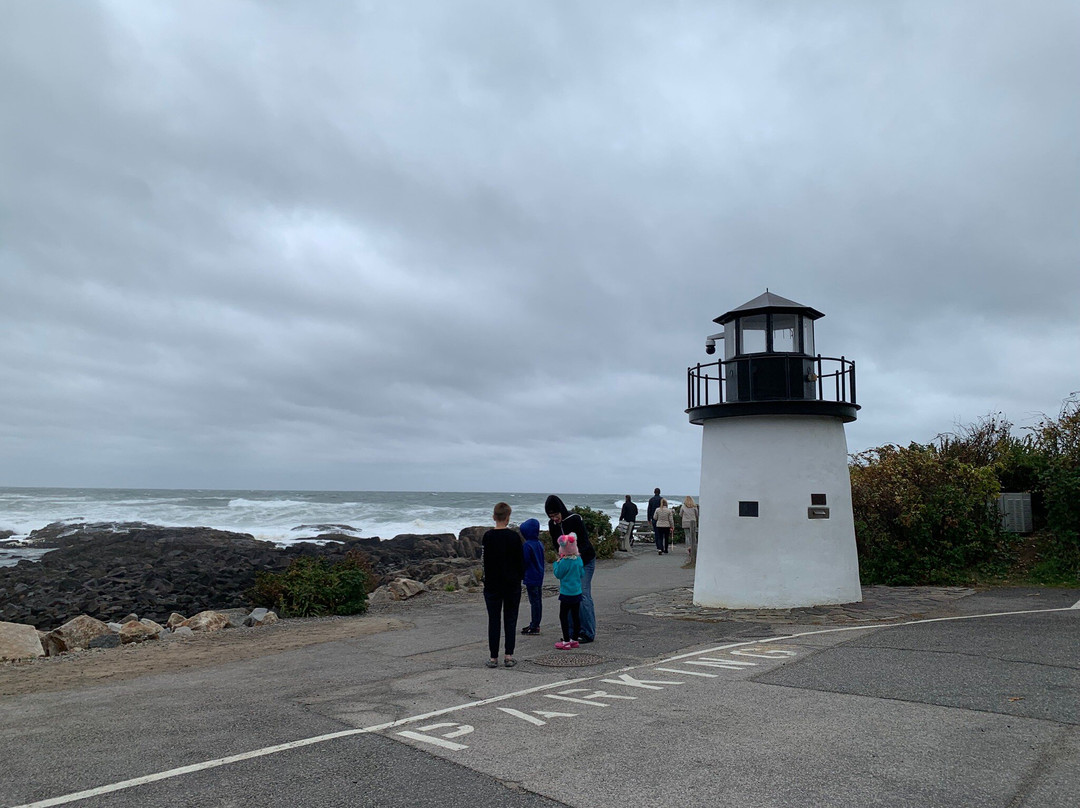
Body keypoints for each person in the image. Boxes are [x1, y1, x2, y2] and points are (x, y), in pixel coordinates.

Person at [544, 495, 596, 643]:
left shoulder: (574, 519)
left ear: (561, 510)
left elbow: (585, 542)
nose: (554, 519)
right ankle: (571, 633)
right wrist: (562, 558)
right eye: (551, 516)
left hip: (584, 561)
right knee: (567, 596)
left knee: (583, 594)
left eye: (556, 515)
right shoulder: (552, 524)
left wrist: (576, 556)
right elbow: (556, 545)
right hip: (568, 562)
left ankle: (587, 632)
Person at [482, 501, 524, 668]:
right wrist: (521, 577)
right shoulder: (514, 537)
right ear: (508, 517)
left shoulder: (487, 537)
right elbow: (521, 561)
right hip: (511, 584)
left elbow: (484, 561)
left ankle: (493, 657)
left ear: (494, 517)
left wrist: (485, 579)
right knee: (510, 618)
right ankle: (508, 655)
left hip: (492, 584)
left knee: (494, 619)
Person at [552, 533, 584, 650]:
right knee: (576, 616)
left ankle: (566, 641)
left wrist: (556, 563)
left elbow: (558, 574)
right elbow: (582, 574)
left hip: (566, 593)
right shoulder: (578, 560)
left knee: (563, 616)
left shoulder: (564, 562)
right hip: (577, 592)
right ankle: (574, 639)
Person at [519, 518, 545, 635]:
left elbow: (524, 561)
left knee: (534, 601)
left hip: (530, 576)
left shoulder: (527, 545)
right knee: (537, 601)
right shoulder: (539, 544)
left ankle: (534, 625)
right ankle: (535, 623)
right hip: (539, 575)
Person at [681, 496, 699, 561]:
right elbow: (697, 514)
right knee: (693, 536)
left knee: (687, 536)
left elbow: (680, 514)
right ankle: (693, 548)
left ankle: (688, 548)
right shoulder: (694, 506)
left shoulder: (683, 506)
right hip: (693, 522)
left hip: (685, 522)